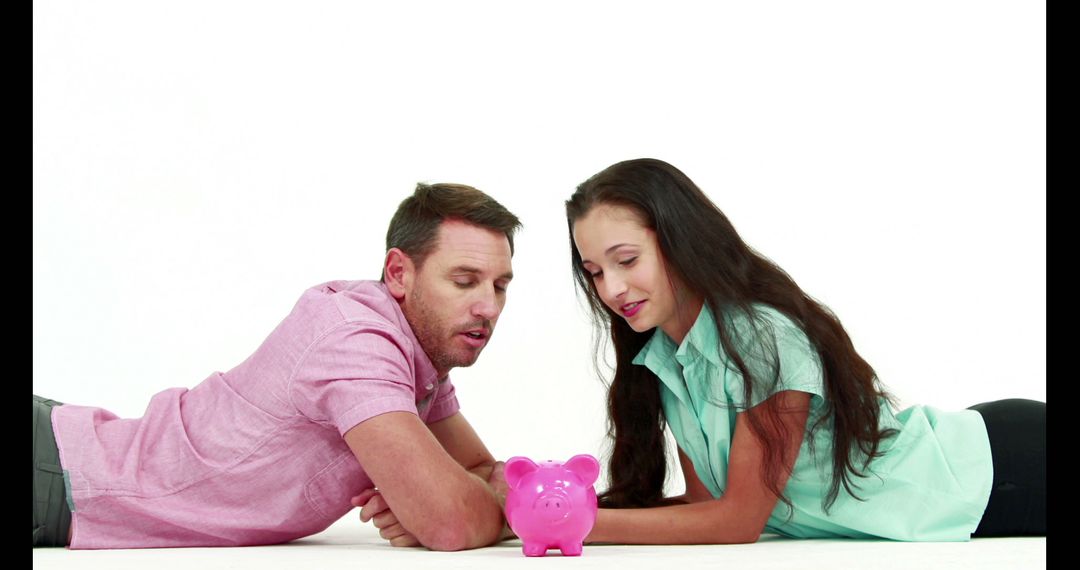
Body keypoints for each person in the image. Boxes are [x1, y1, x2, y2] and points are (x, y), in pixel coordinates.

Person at [564, 158, 1045, 543]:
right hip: (981, 468)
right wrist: (562, 508)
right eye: (595, 272)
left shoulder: (760, 339)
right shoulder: (665, 361)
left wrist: (572, 522)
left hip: (1003, 468)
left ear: (680, 242)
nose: (613, 288)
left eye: (626, 260)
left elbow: (736, 523)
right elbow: (705, 507)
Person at [33, 182, 520, 550]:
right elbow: (452, 519)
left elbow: (479, 472)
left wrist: (461, 503)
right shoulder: (356, 340)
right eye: (464, 281)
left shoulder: (415, 355)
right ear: (398, 273)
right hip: (58, 477)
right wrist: (471, 507)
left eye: (499, 286)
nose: (488, 307)